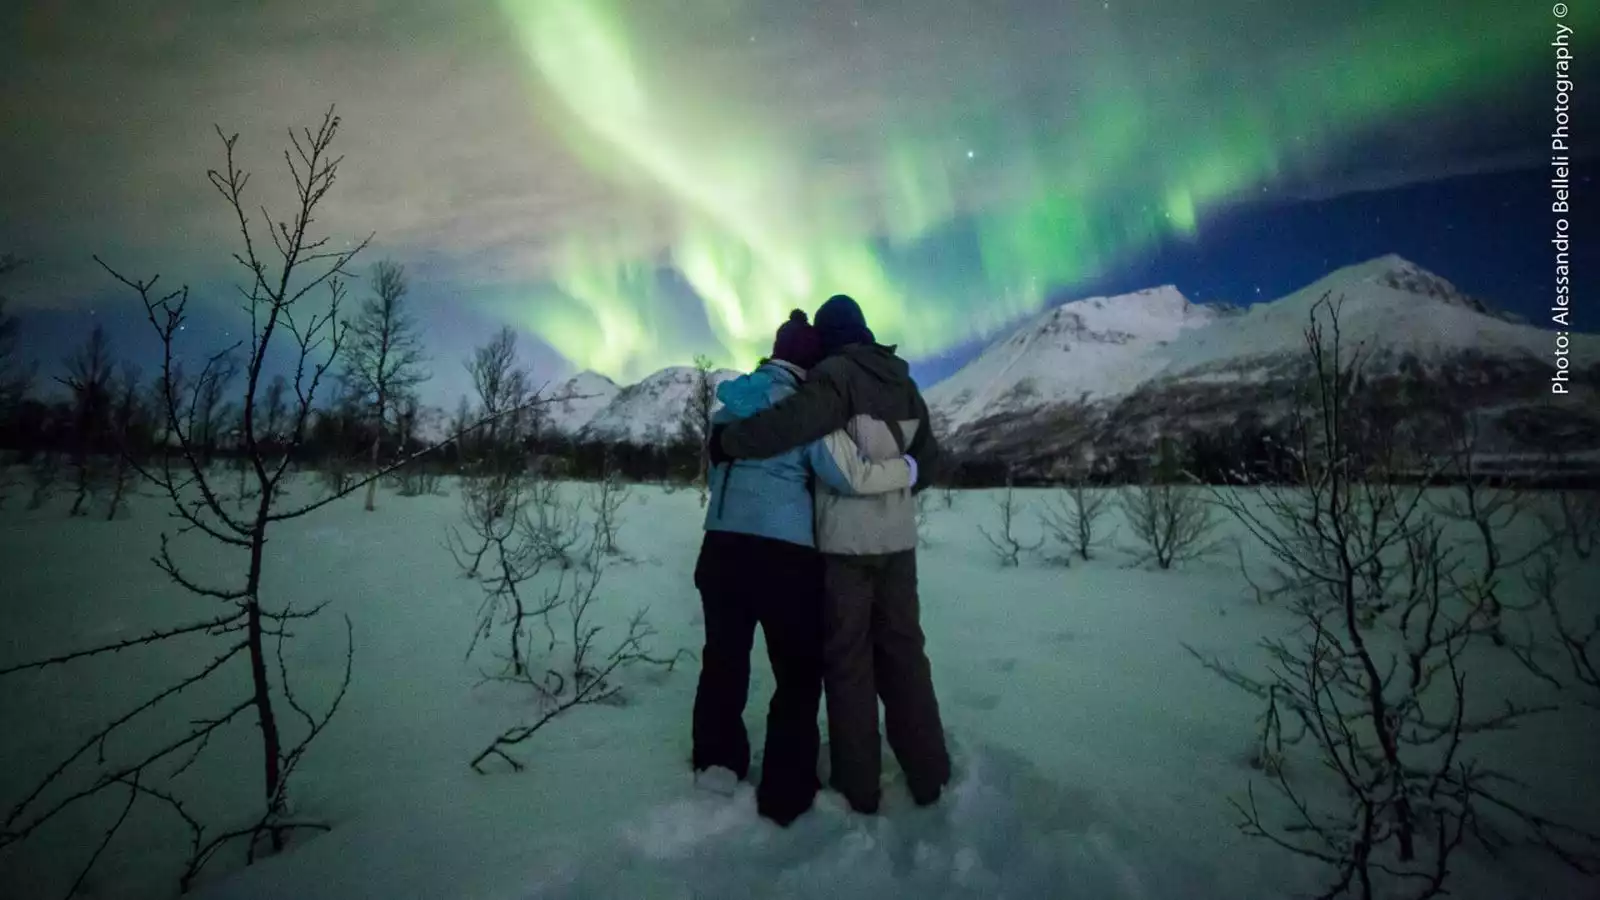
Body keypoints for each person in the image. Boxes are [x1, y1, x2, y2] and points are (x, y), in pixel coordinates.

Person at [709, 293, 951, 815]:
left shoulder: (835, 376)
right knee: (906, 655)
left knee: (848, 664)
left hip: (844, 546)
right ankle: (930, 774)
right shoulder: (904, 384)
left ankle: (858, 786)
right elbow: (927, 463)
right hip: (898, 547)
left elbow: (790, 425)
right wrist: (900, 475)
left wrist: (729, 443)